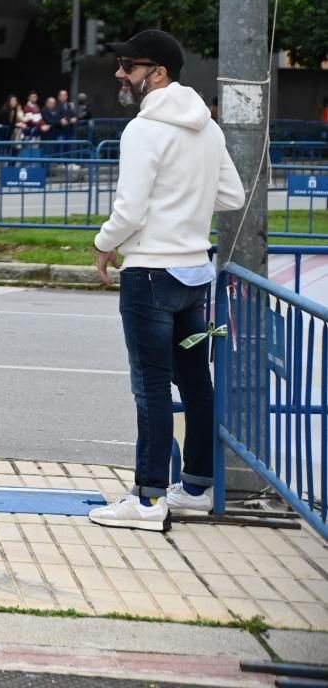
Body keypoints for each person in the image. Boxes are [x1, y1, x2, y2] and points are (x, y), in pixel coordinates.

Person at [88, 30, 244, 531]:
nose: (120, 74)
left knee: (151, 387)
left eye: (128, 66)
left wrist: (103, 242)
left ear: (157, 73)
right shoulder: (209, 128)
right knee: (196, 382)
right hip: (195, 271)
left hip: (151, 272)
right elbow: (232, 195)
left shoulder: (143, 130)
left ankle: (149, 499)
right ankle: (197, 486)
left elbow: (129, 209)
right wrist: (187, 203)